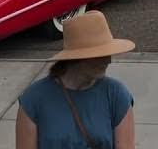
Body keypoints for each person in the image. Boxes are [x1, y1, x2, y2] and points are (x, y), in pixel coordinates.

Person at [15, 11, 135, 149]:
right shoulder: (33, 100)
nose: (108, 61)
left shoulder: (117, 96)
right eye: (99, 55)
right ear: (75, 58)